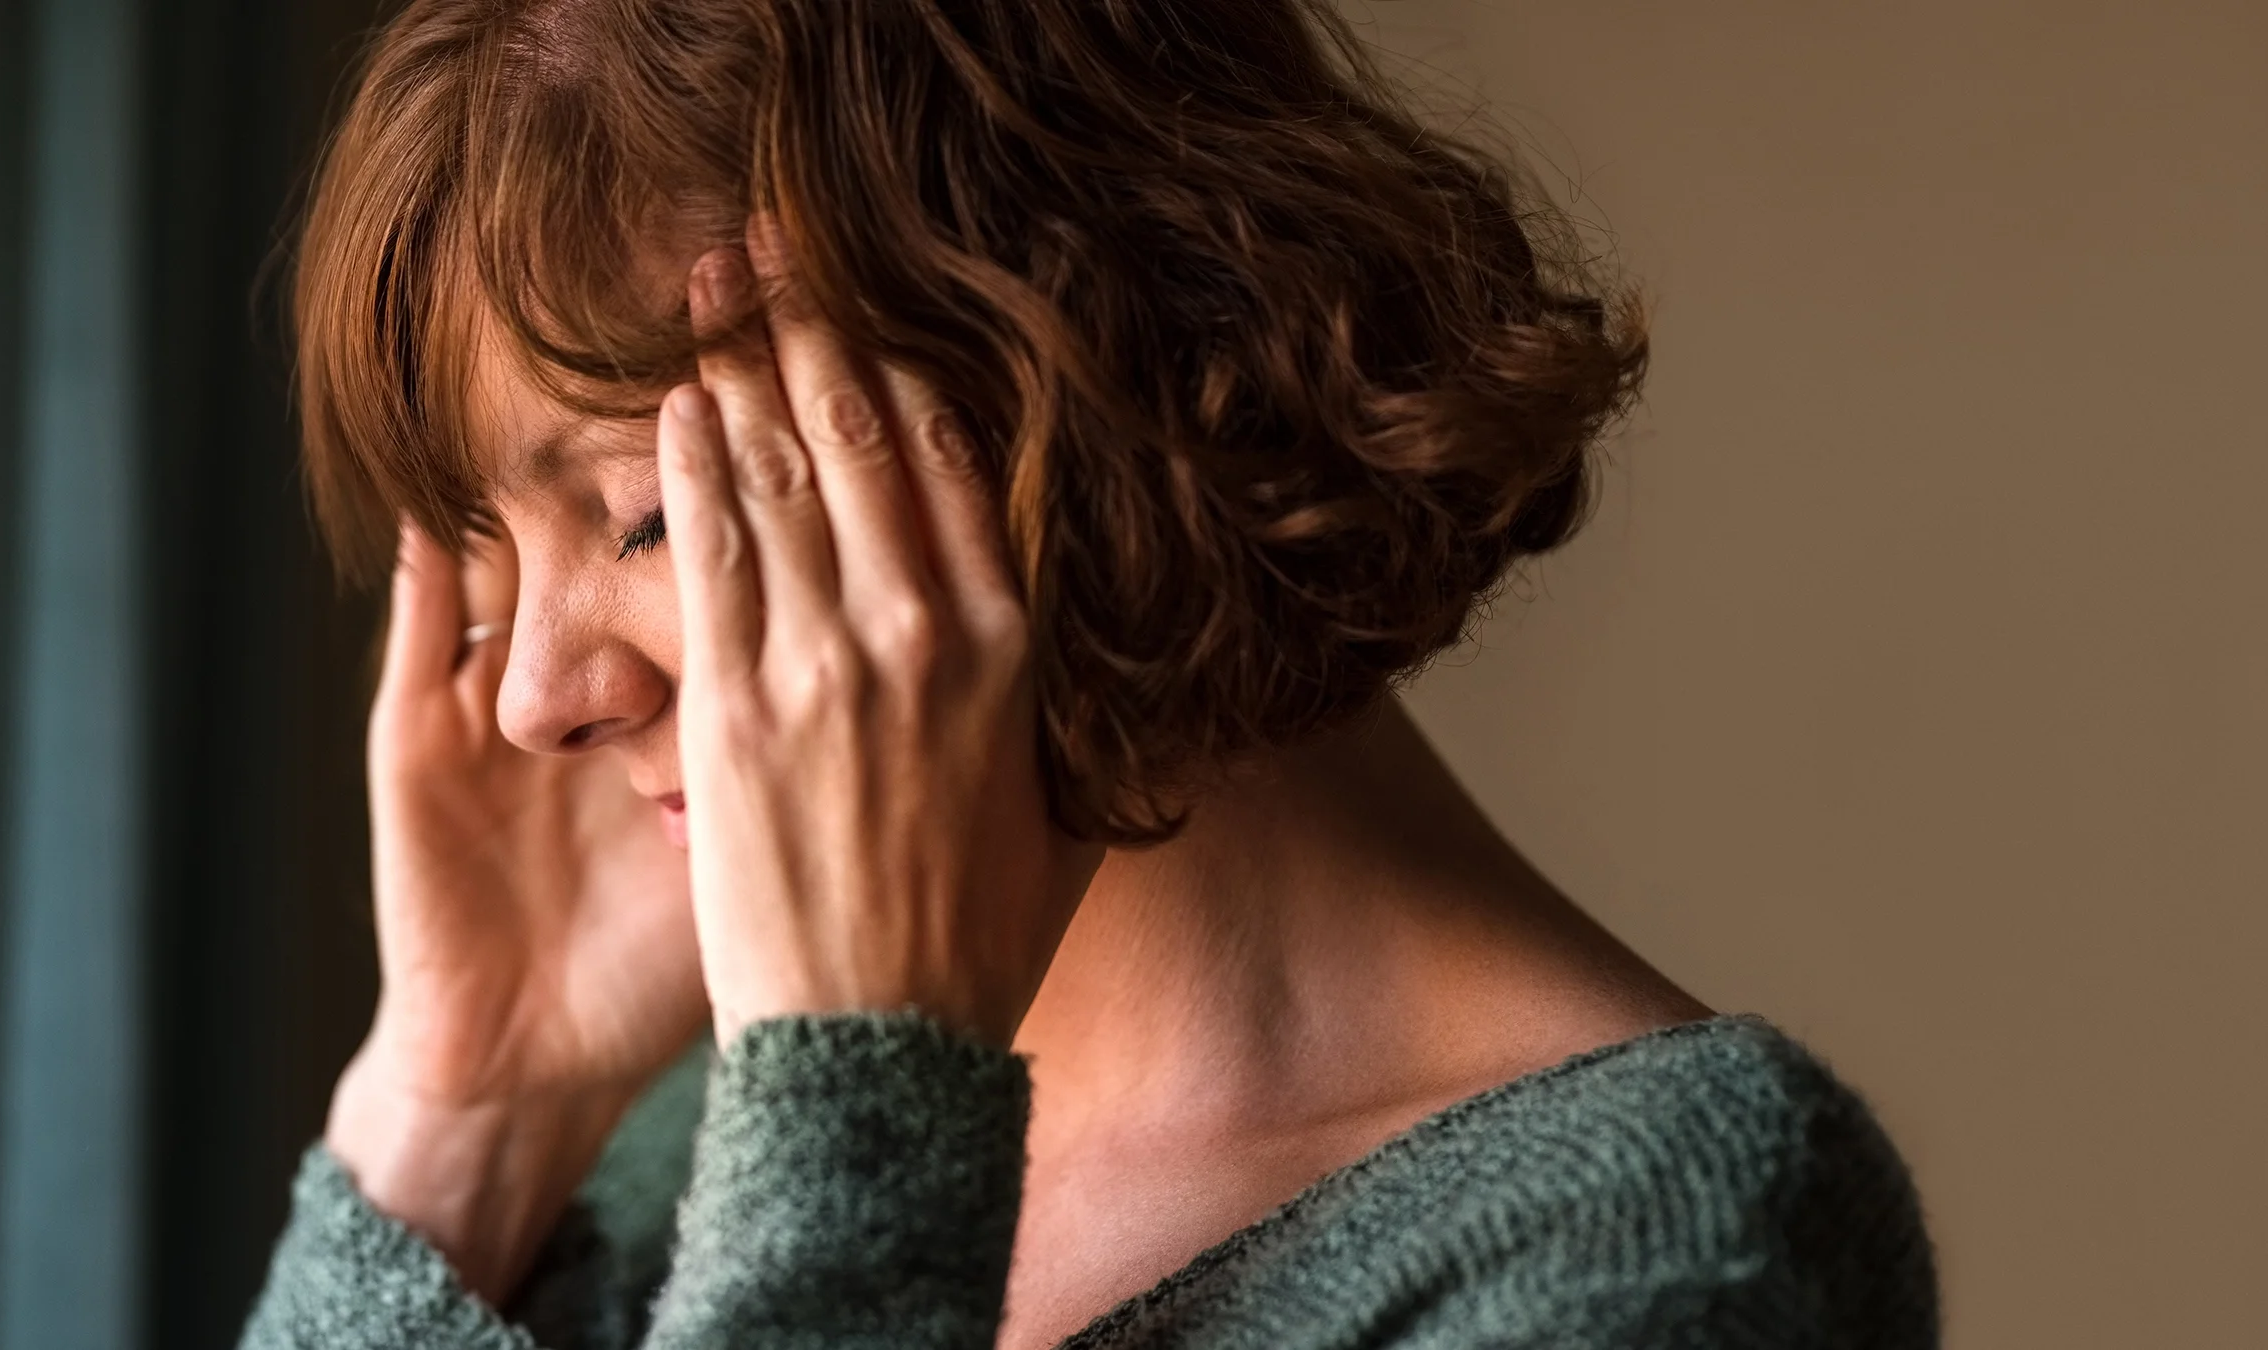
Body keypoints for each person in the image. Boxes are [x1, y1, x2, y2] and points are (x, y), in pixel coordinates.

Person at [242, 1, 1938, 1346]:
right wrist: (459, 1124)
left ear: (1074, 386)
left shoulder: (1661, 1240)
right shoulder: (683, 1167)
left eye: (634, 517)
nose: (534, 695)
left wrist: (852, 1133)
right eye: (484, 557)